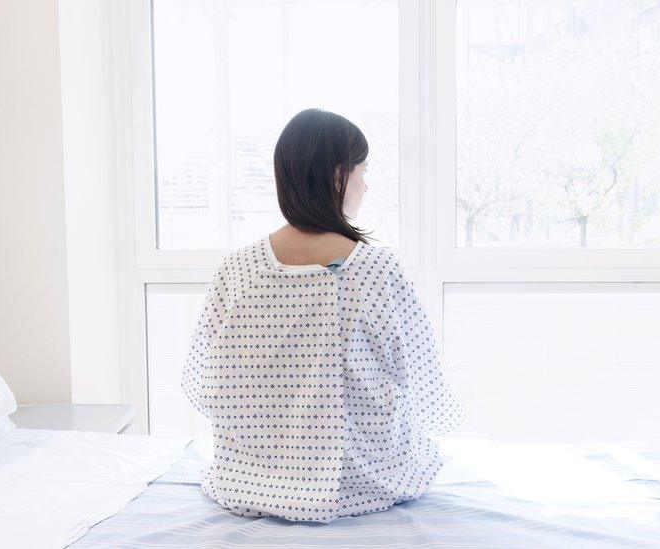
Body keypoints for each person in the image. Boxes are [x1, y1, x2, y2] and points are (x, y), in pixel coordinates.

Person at [181, 108, 464, 523]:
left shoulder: (237, 270)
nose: (365, 186)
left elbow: (202, 383)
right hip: (362, 480)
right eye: (361, 172)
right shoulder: (375, 270)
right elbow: (422, 382)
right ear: (337, 176)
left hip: (249, 477)